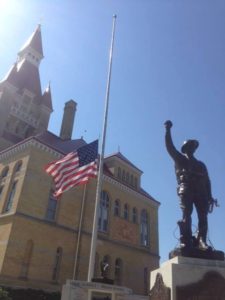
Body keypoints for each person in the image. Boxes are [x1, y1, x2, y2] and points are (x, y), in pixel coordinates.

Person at [164, 120, 214, 250]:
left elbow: (207, 181)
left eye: (193, 146)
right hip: (186, 189)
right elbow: (170, 147)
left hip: (201, 191)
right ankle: (185, 240)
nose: (192, 148)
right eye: (190, 146)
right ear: (185, 148)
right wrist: (167, 130)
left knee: (203, 216)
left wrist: (210, 196)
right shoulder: (180, 159)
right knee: (187, 214)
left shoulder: (201, 165)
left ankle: (202, 241)